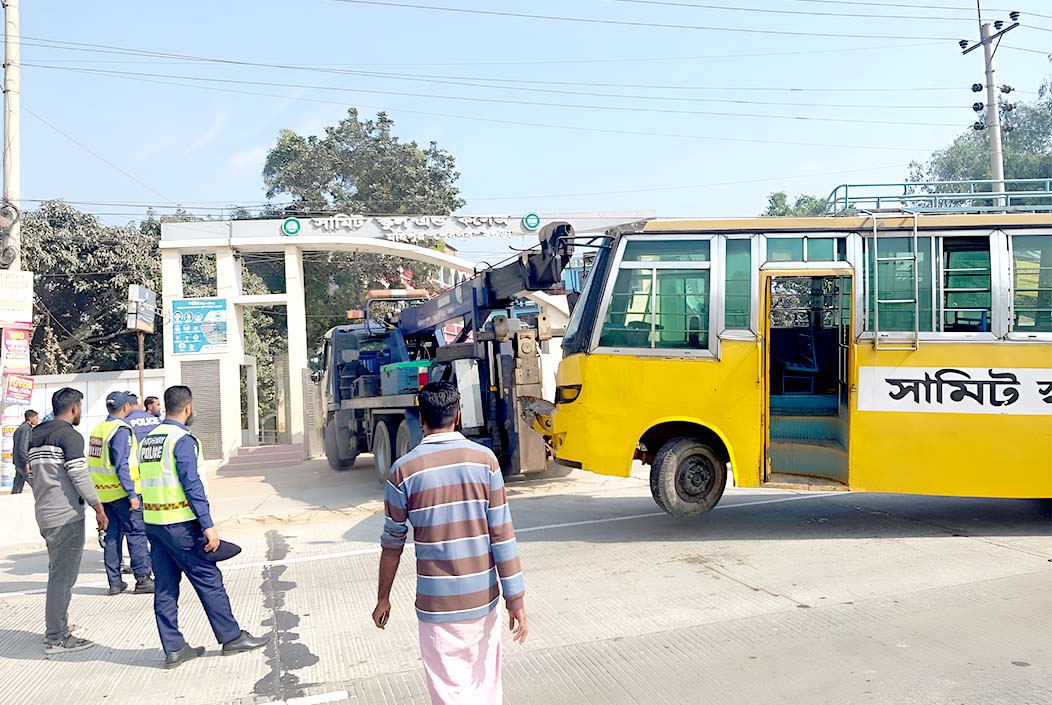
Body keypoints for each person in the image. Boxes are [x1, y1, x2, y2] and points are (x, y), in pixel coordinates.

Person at [372, 381, 528, 705]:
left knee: (449, 692)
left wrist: (383, 599)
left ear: (421, 419)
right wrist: (516, 600)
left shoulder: (403, 472)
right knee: (485, 686)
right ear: (457, 416)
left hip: (436, 607)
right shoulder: (485, 462)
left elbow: (393, 543)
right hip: (482, 601)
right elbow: (502, 534)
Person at [139, 385, 269, 668]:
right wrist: (208, 526)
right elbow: (191, 484)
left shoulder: (149, 439)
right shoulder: (182, 440)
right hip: (180, 525)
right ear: (188, 407)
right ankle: (231, 638)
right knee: (209, 580)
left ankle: (173, 648)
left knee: (165, 587)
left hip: (154, 523)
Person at [28, 388, 108, 654]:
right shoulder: (70, 436)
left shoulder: (35, 434)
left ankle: (58, 625)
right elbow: (79, 475)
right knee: (62, 578)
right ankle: (57, 637)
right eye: (80, 408)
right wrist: (98, 508)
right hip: (65, 516)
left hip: (45, 513)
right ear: (74, 408)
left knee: (57, 573)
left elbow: (30, 472)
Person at [88, 391, 154, 596]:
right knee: (136, 534)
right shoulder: (121, 429)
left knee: (112, 537)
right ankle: (142, 579)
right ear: (126, 406)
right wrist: (132, 494)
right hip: (122, 494)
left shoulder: (99, 429)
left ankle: (114, 583)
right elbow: (122, 465)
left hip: (103, 495)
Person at [11, 409, 39, 494]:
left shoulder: (19, 429)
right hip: (23, 463)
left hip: (18, 461)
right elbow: (23, 447)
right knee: (37, 485)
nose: (37, 420)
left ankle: (13, 502)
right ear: (30, 418)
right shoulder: (26, 429)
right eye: (36, 418)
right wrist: (26, 464)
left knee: (18, 485)